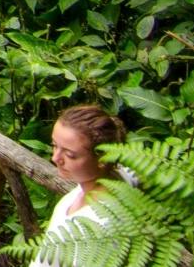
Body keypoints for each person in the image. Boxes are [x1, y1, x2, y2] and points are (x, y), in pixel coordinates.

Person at [34, 104, 128, 263]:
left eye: (70, 155)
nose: (55, 158)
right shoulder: (113, 179)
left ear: (102, 159)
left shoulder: (102, 226)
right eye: (54, 146)